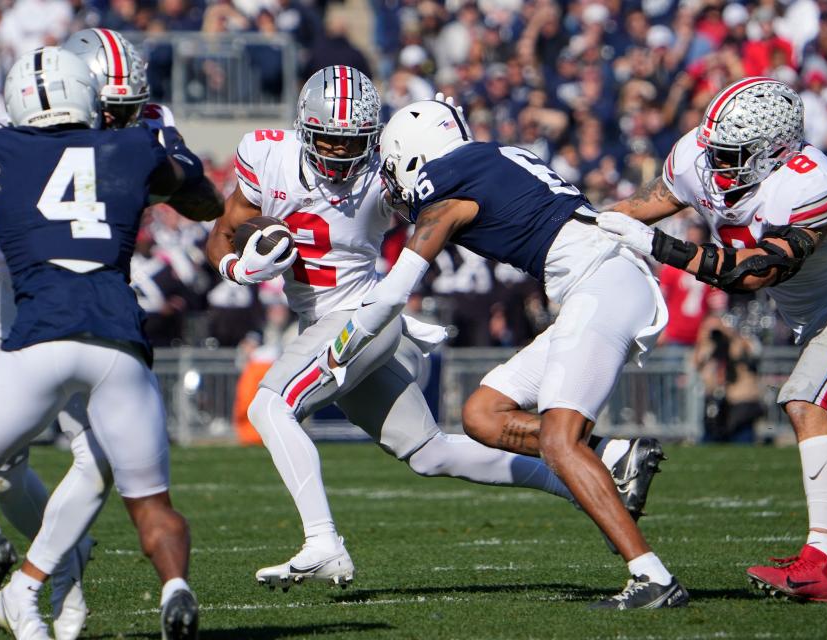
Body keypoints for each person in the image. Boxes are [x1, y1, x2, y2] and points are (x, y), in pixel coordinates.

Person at [206, 67, 659, 591]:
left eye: (351, 142)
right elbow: (223, 232)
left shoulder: (385, 178)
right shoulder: (266, 153)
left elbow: (449, 195)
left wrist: (448, 131)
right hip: (325, 323)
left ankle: (322, 541)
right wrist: (239, 267)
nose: (337, 154)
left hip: (359, 321)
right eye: (327, 139)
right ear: (304, 128)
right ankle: (595, 472)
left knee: (269, 405)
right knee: (430, 453)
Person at [323, 99, 686, 609]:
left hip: (601, 281)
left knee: (560, 442)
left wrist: (337, 350)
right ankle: (609, 454)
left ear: (410, 155)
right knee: (483, 415)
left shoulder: (445, 186)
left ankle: (652, 578)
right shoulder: (489, 156)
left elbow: (390, 292)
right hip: (599, 280)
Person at [0, 46, 220, 640]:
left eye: (126, 109)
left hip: (58, 314)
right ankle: (61, 563)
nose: (116, 120)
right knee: (2, 470)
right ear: (79, 94)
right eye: (108, 108)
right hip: (16, 303)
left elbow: (197, 201)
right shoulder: (42, 142)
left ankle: (39, 581)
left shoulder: (135, 133)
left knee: (94, 458)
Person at [598, 76, 827, 603]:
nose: (717, 164)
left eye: (734, 154)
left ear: (776, 153)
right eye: (715, 149)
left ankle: (820, 565)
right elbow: (634, 209)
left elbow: (755, 274)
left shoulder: (810, 185)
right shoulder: (697, 157)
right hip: (816, 315)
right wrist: (569, 225)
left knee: (804, 399)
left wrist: (661, 246)